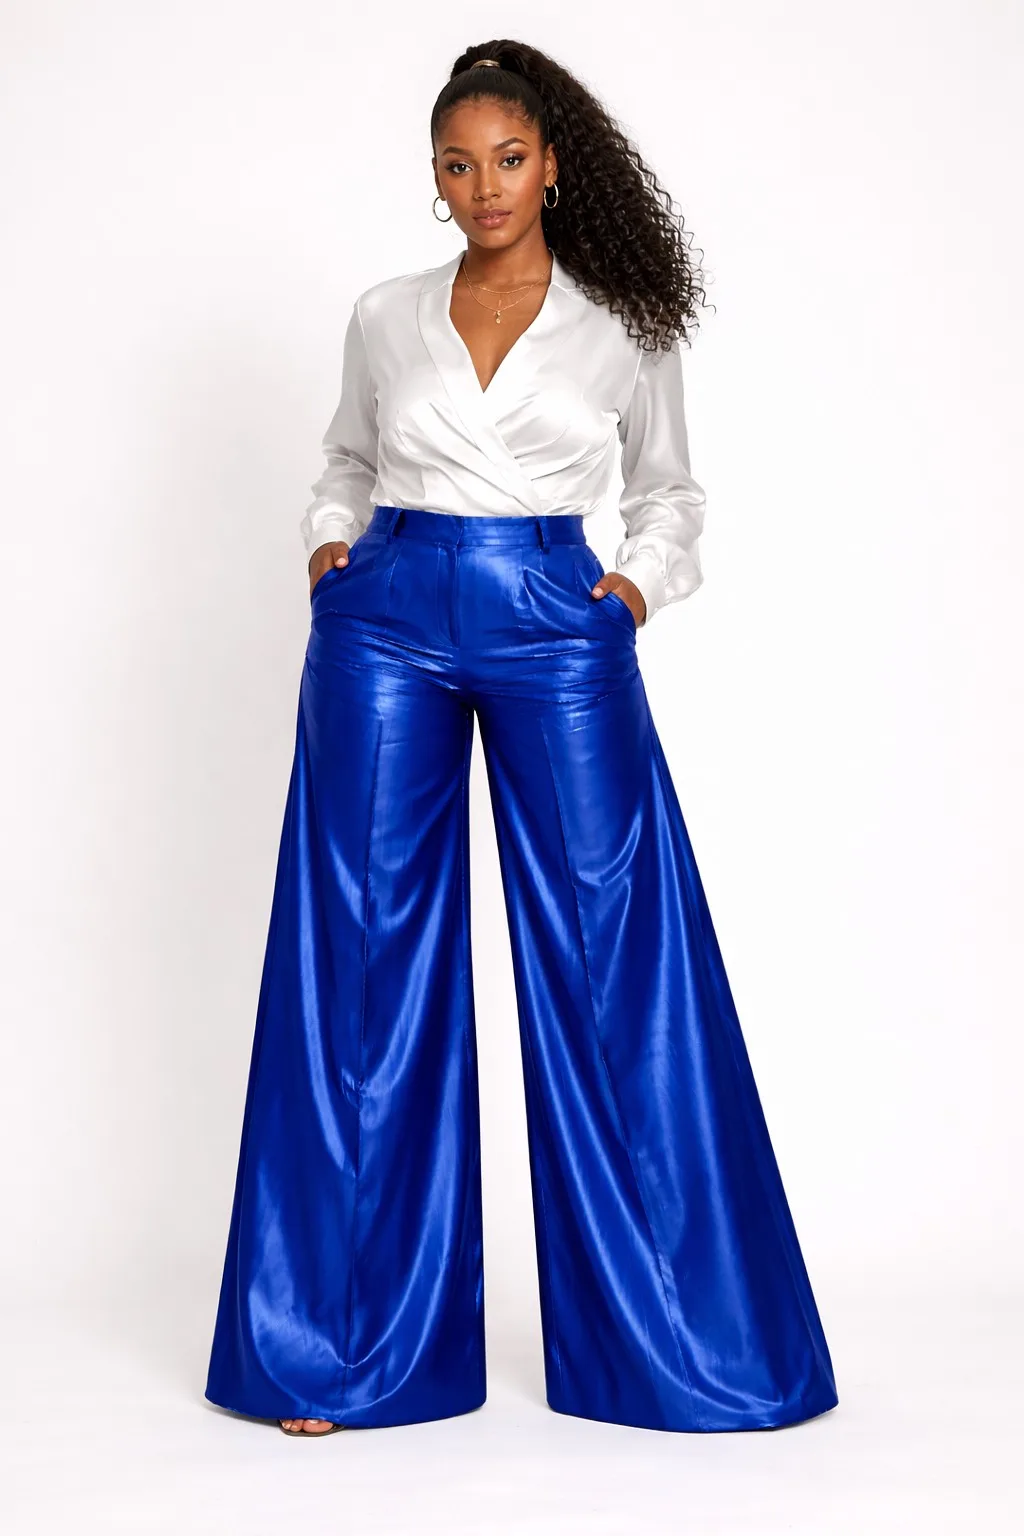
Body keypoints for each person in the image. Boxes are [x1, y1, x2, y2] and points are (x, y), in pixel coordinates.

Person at [205, 40, 839, 1440]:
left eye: (507, 158)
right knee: (362, 957)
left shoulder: (623, 321)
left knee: (617, 952)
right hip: (385, 623)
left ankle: (683, 1349)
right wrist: (328, 549)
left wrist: (627, 596)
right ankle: (339, 1351)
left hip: (556, 621)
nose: (484, 184)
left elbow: (671, 495)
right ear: (433, 178)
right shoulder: (385, 315)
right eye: (457, 163)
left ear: (552, 165)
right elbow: (347, 460)